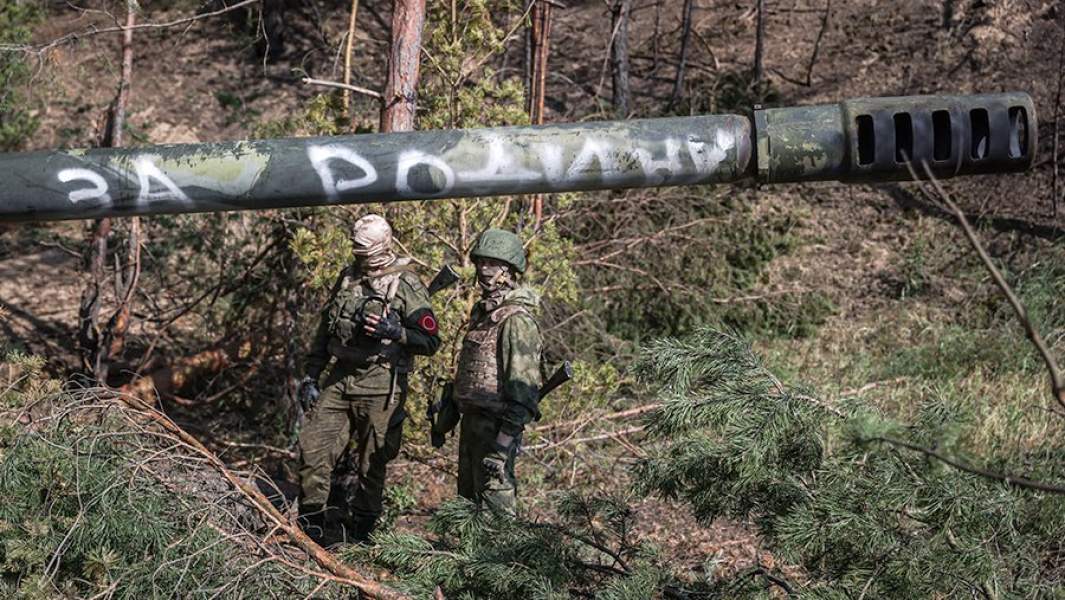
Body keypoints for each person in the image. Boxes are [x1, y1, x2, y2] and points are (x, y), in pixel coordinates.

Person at [296, 214, 440, 543]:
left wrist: (397, 331)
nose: (358, 254)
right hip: (340, 379)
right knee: (313, 448)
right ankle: (311, 527)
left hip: (381, 384)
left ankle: (360, 536)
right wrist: (311, 375)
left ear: (381, 246)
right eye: (355, 247)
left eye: (363, 248)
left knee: (371, 463)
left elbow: (431, 340)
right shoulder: (347, 278)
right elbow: (324, 331)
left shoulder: (406, 283)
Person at [452, 228, 543, 514]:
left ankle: (503, 560)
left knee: (496, 510)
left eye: (492, 263)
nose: (484, 269)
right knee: (467, 507)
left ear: (509, 269)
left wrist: (503, 446)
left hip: (497, 428)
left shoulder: (516, 320)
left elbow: (524, 392)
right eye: (480, 262)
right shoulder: (483, 314)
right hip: (473, 424)